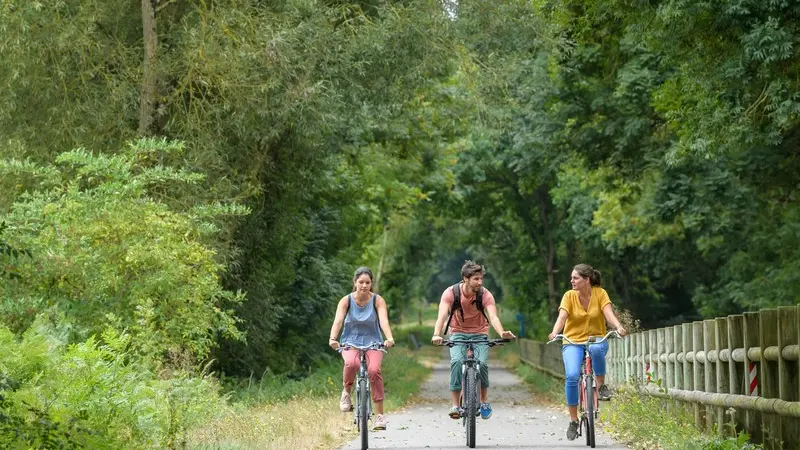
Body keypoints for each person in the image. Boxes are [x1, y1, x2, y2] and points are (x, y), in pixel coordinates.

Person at [548, 263, 627, 441]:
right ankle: (573, 420)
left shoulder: (600, 293)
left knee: (596, 348)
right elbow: (562, 317)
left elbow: (608, 314)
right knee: (572, 375)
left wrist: (619, 327)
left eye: (575, 278)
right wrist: (554, 332)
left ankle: (601, 386)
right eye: (572, 278)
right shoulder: (568, 296)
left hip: (595, 338)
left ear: (586, 280)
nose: (572, 281)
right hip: (572, 341)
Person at [431, 261, 516, 420]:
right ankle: (455, 405)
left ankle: (484, 400)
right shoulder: (451, 293)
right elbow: (442, 316)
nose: (480, 282)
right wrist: (437, 334)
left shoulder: (485, 294)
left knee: (482, 364)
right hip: (457, 332)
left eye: (481, 278)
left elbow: (493, 316)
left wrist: (502, 332)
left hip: (480, 333)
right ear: (465, 278)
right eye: (476, 279)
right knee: (456, 362)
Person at [329, 266, 396, 430]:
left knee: (374, 370)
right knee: (351, 364)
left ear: (371, 283)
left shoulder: (377, 300)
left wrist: (389, 338)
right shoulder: (346, 301)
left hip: (374, 342)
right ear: (355, 283)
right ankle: (346, 393)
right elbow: (338, 321)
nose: (364, 285)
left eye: (367, 282)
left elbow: (383, 321)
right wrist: (333, 338)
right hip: (350, 342)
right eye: (361, 282)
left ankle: (379, 416)